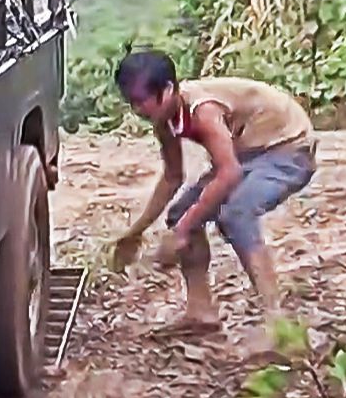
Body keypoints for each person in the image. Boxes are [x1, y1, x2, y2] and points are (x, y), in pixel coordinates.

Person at [110, 52, 316, 340]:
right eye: (131, 101)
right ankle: (200, 311)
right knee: (181, 213)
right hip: (247, 152)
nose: (137, 109)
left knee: (236, 213)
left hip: (288, 150)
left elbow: (228, 173)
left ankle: (276, 321)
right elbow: (172, 177)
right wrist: (135, 232)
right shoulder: (164, 116)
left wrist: (181, 233)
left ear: (168, 90)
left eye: (142, 100)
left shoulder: (202, 111)